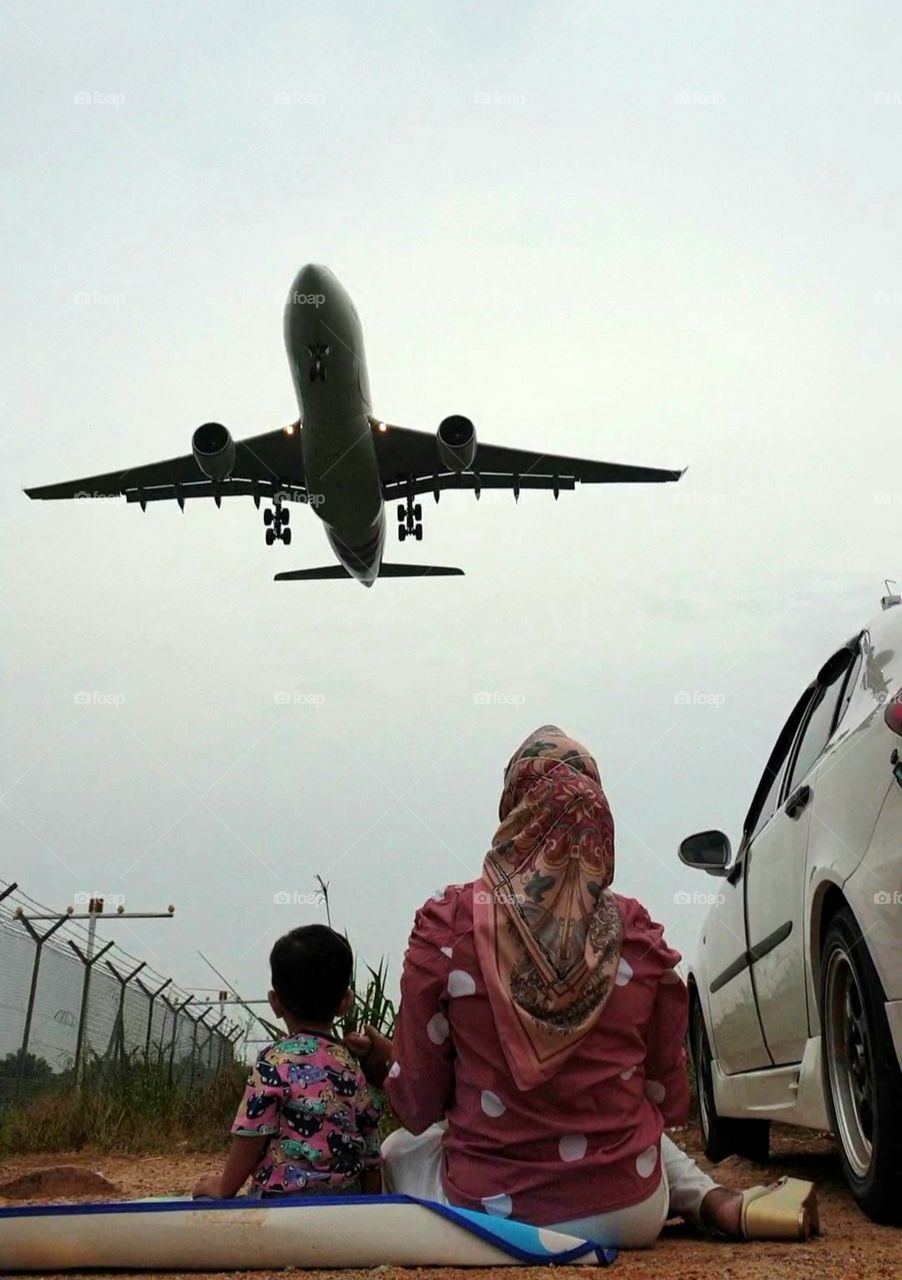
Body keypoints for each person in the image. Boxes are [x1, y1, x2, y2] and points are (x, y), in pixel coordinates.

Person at [348, 726, 819, 1247]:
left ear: (515, 812)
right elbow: (664, 1098)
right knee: (636, 1126)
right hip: (629, 1211)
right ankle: (711, 1199)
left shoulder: (449, 929)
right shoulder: (636, 935)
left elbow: (417, 1103)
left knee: (399, 1150)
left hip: (493, 1211)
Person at [193, 924, 382, 1200]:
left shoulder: (273, 1062)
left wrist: (224, 1187)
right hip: (346, 1199)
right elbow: (369, 1142)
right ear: (346, 1001)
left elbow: (251, 1134)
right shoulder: (352, 1066)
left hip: (282, 1201)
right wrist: (373, 1203)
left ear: (275, 1002)